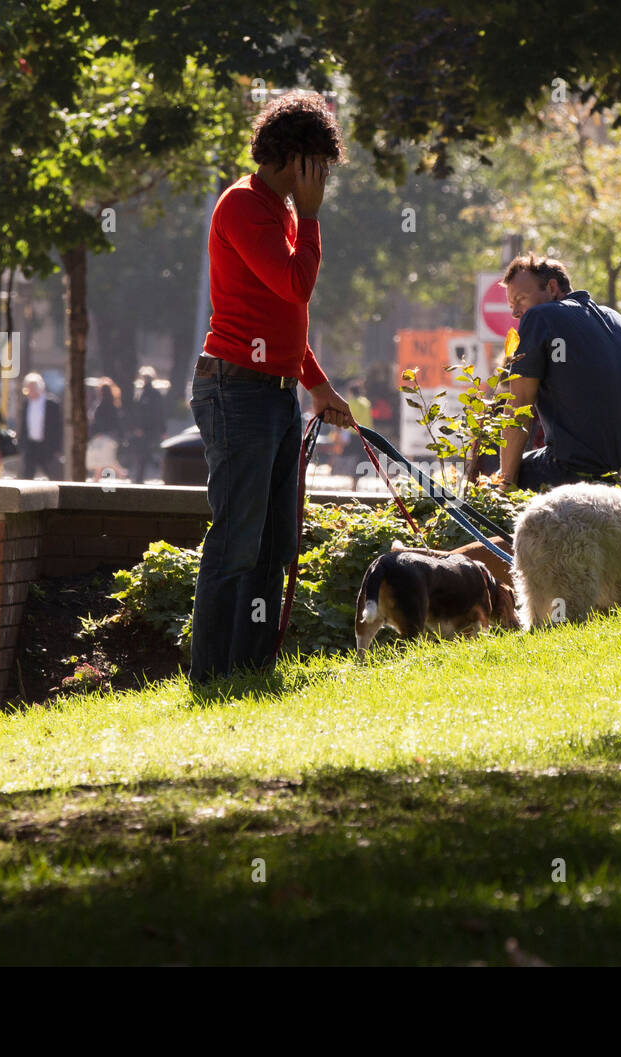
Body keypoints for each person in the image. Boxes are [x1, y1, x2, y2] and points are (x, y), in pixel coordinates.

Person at [187, 90, 354, 684]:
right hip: (235, 391)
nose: (324, 180)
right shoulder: (245, 207)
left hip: (273, 390)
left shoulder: (277, 209)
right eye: (320, 167)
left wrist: (317, 384)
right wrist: (310, 218)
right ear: (296, 159)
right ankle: (210, 676)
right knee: (236, 539)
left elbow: (280, 318)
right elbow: (295, 286)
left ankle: (252, 668)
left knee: (276, 542)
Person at [497, 254, 621, 491]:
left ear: (552, 287)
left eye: (520, 299)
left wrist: (505, 484)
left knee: (498, 479)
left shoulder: (540, 317)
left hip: (573, 471)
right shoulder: (620, 321)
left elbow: (519, 406)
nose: (515, 313)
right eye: (511, 305)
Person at [18, 372, 63, 479]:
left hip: (47, 446)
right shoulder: (26, 404)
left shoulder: (52, 404)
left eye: (32, 388)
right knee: (27, 476)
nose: (30, 391)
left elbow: (58, 427)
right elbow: (23, 425)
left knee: (53, 476)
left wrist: (57, 447)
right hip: (31, 446)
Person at [128, 366, 166, 484]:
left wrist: (138, 427)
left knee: (144, 453)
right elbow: (160, 413)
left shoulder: (145, 393)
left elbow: (145, 413)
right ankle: (143, 475)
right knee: (146, 452)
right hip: (149, 428)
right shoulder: (147, 393)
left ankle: (141, 477)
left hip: (147, 429)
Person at [86, 376, 127, 481]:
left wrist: (98, 432)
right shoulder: (114, 404)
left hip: (104, 436)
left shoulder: (101, 405)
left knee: (105, 459)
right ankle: (97, 478)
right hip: (111, 436)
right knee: (106, 458)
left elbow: (99, 421)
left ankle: (120, 474)